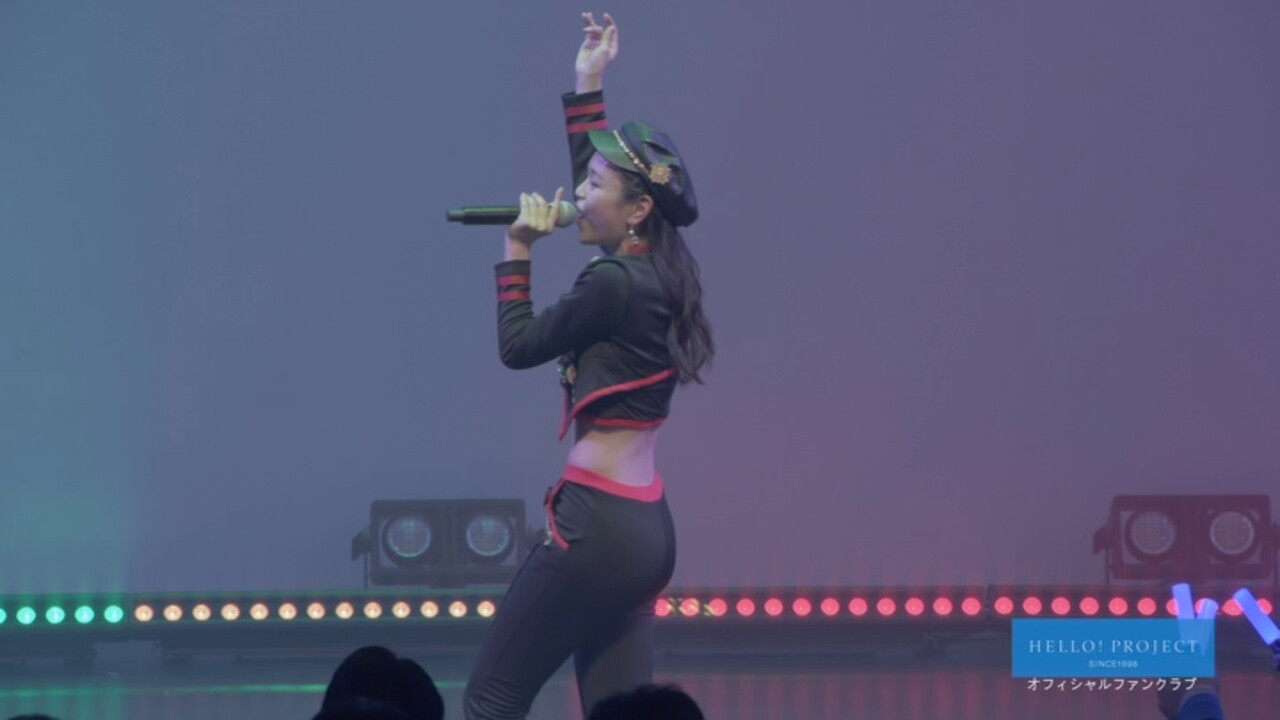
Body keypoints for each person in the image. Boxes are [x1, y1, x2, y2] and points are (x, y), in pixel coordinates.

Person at [463, 11, 713, 720]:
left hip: (596, 528)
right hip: (645, 533)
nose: (579, 192)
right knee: (622, 712)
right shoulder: (655, 269)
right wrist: (588, 81)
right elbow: (599, 193)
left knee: (490, 700)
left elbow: (517, 347)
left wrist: (517, 250)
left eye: (596, 183)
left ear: (637, 209)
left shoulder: (611, 283)